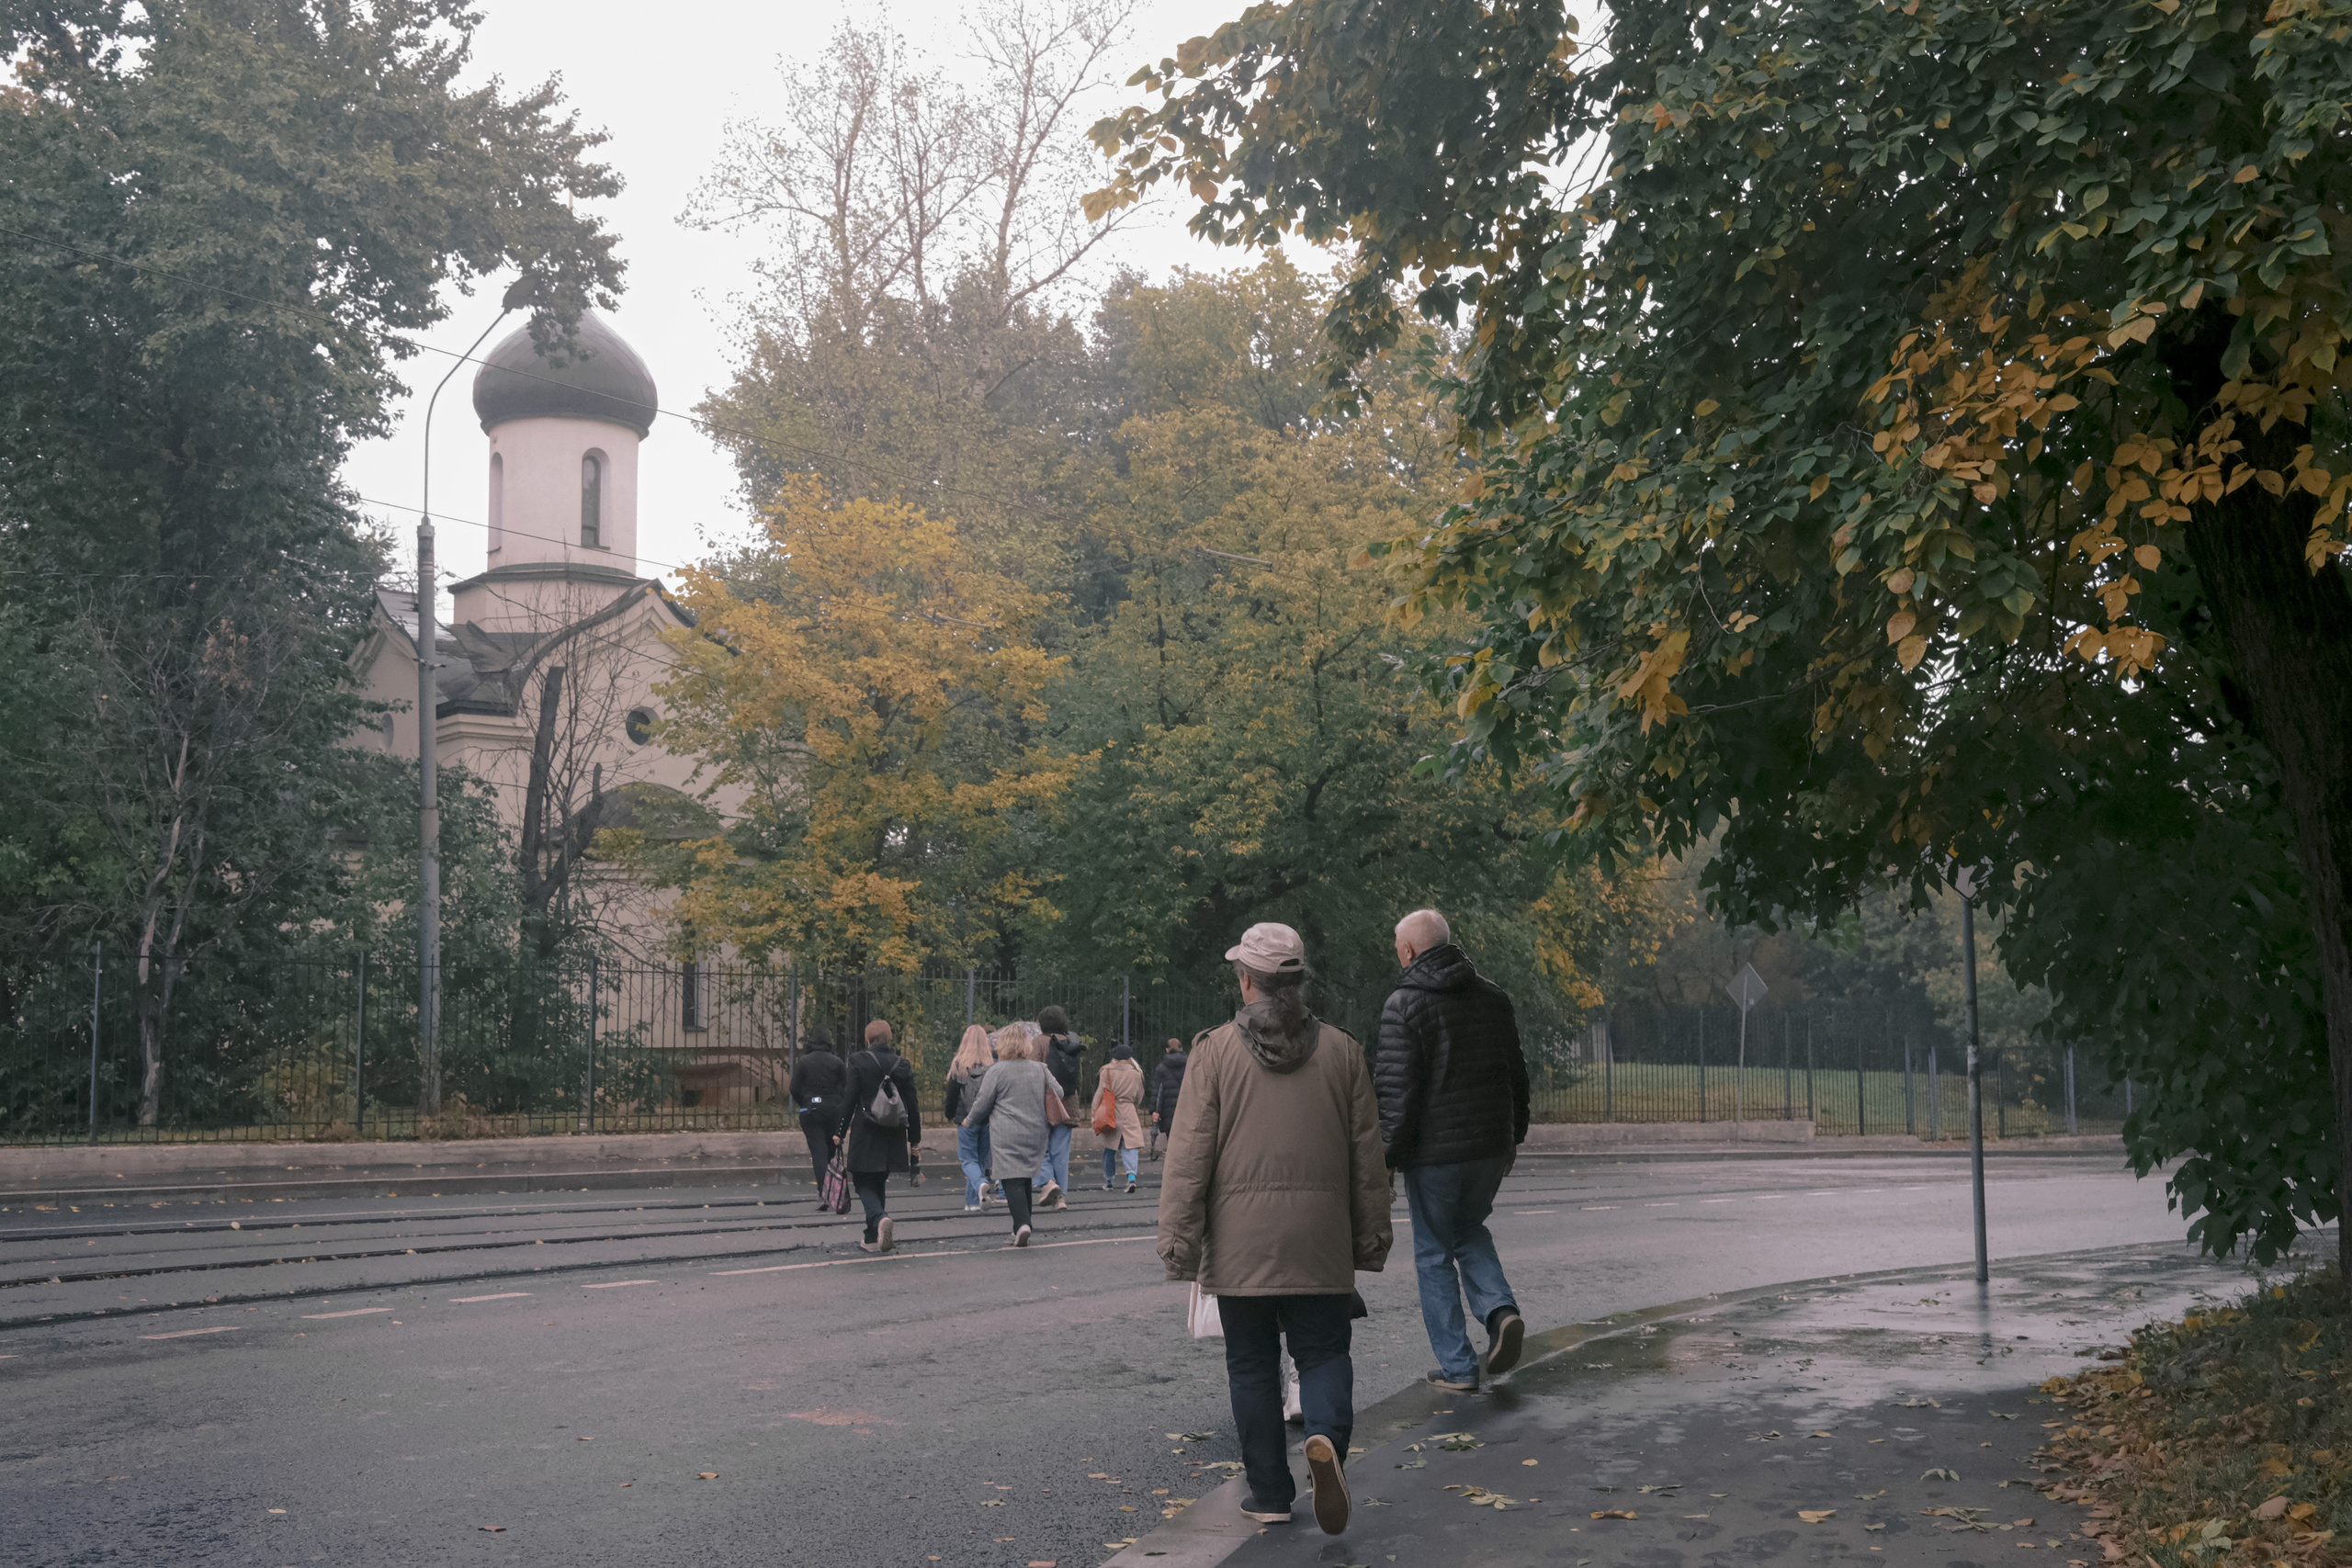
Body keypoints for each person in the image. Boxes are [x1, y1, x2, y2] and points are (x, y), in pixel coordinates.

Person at [1159, 921, 1391, 1537]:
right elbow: (1368, 1158)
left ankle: (1266, 1490)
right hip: (1321, 1238)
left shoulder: (1212, 1052)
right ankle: (1325, 1439)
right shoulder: (1343, 1051)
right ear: (1298, 982)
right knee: (1323, 1350)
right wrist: (1369, 1238)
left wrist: (1180, 1241)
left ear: (1246, 981)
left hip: (1239, 1243)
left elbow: (1188, 1157)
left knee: (1252, 1364)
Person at [1374, 908, 1532, 1393]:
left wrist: (1384, 1159)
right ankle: (1500, 1311)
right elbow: (1517, 1074)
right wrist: (1515, 1137)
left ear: (1408, 950)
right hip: (1489, 1145)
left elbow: (1397, 1095)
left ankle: (1459, 1368)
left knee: (1433, 1253)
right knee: (1469, 1229)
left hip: (1435, 1154)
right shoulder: (1492, 997)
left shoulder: (1403, 1004)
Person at [960, 1031, 1056, 1247]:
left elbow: (983, 1102)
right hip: (1036, 1130)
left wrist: (970, 1120)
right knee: (1025, 1178)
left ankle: (1022, 1224)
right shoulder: (1040, 1068)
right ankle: (1021, 1227)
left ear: (1003, 1046)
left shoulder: (997, 1070)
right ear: (1026, 1045)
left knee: (1011, 1177)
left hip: (1006, 1132)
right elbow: (1057, 1091)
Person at [836, 1019, 922, 1253]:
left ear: (867, 1039)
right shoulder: (901, 1064)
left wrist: (839, 1132)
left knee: (862, 1180)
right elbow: (912, 1105)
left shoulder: (858, 1062)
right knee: (878, 1180)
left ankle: (879, 1217)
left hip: (867, 1130)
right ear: (889, 1038)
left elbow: (849, 1099)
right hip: (894, 1132)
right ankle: (872, 1237)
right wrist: (915, 1138)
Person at [943, 1024, 999, 1213]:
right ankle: (974, 1202)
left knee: (968, 1160)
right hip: (987, 1119)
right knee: (980, 1160)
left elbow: (952, 1095)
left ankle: (980, 1185)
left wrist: (950, 1114)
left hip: (965, 1119)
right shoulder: (993, 1067)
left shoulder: (959, 1064)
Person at [1033, 1004, 1084, 1209]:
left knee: (1038, 1149)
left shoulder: (1039, 1043)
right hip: (1068, 1105)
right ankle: (1061, 1197)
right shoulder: (1072, 1042)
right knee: (1061, 1153)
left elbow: (1032, 1072)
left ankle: (1048, 1182)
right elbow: (1078, 1076)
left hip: (1044, 1105)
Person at [788, 1032, 847, 1202]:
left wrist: (805, 1102)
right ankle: (832, 1187)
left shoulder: (804, 1062)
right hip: (834, 1110)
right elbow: (846, 1086)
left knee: (818, 1150)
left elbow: (794, 1088)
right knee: (830, 1150)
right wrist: (837, 1102)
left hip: (811, 1110)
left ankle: (824, 1190)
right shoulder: (837, 1062)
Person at [1093, 1043, 1147, 1193]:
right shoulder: (1136, 1073)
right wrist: (1131, 1105)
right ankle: (1131, 1178)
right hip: (1129, 1110)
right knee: (1130, 1146)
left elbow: (1099, 1094)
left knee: (1109, 1147)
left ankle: (1109, 1180)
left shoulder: (1106, 1071)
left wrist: (1093, 1114)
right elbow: (1139, 1096)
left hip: (1111, 1110)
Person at [1146, 1036, 1186, 1160]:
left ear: (1167, 1050)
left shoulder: (1161, 1068)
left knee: (1172, 1140)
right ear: (1181, 1049)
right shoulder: (1190, 1064)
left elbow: (1156, 1091)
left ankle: (1174, 1163)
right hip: (1186, 1109)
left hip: (1168, 1111)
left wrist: (1154, 1111)